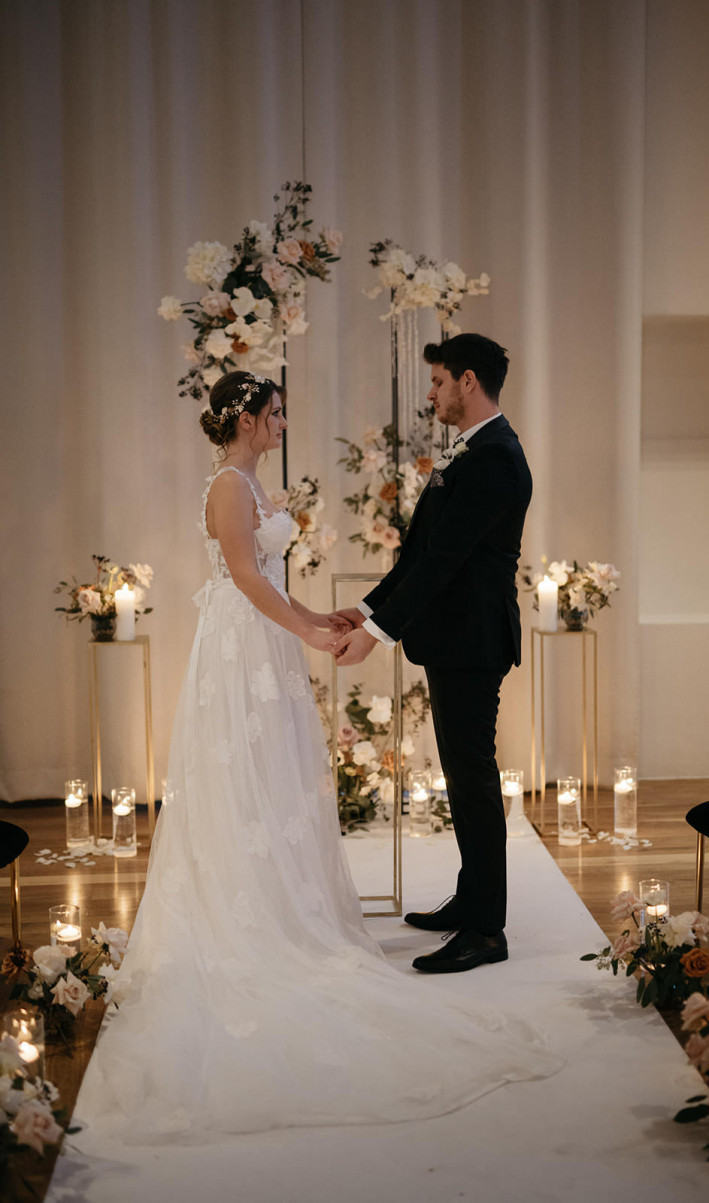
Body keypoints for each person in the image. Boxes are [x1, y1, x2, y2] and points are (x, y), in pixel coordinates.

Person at [72, 370, 558, 1145]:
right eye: (275, 412)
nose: (283, 421)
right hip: (241, 648)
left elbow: (268, 575)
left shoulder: (256, 484)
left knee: (282, 782)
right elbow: (241, 578)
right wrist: (307, 625)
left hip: (268, 644)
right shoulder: (229, 486)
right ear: (247, 420)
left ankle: (303, 902)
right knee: (242, 781)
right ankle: (252, 914)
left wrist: (332, 617)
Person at [334, 334, 531, 975]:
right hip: (456, 640)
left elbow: (442, 563)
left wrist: (378, 633)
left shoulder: (496, 458)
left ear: (468, 381)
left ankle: (486, 930)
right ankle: (471, 902)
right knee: (462, 777)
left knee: (472, 781)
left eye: (439, 382)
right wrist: (364, 611)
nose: (432, 394)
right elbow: (419, 556)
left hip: (473, 643)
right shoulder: (474, 453)